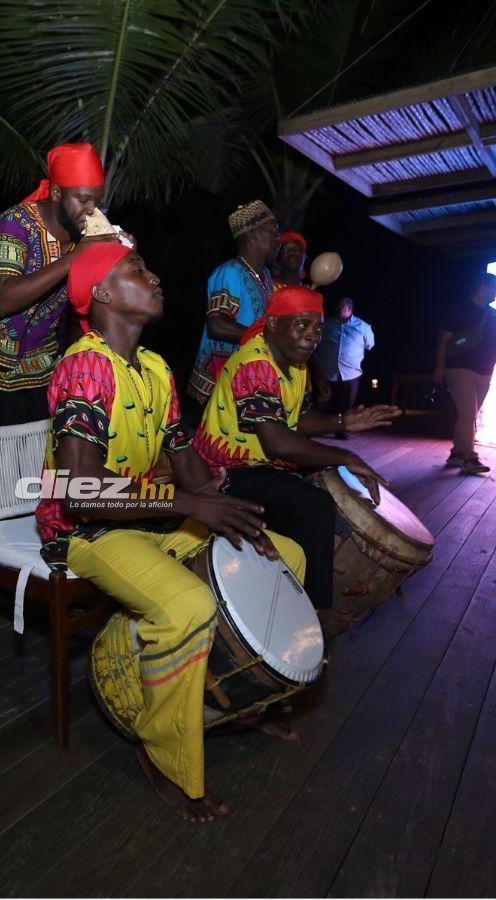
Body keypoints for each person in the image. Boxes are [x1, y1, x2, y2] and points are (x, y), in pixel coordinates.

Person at [37, 242, 309, 822]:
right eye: (137, 268)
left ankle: (231, 699)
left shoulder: (156, 369)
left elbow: (188, 465)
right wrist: (188, 504)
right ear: (103, 293)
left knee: (283, 555)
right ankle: (163, 754)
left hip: (149, 519)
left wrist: (224, 511)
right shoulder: (85, 365)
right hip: (84, 534)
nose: (155, 274)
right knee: (188, 605)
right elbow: (79, 491)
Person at [194, 286, 400, 612]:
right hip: (223, 471)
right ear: (274, 324)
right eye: (301, 325)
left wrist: (344, 421)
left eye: (318, 328)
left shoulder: (294, 364)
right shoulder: (256, 363)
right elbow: (278, 442)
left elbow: (299, 419)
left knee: (324, 482)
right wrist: (346, 456)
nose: (312, 337)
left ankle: (288, 573)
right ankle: (312, 612)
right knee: (314, 504)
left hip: (260, 465)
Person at [0, 142, 118, 425]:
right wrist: (74, 258)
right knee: (3, 460)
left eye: (97, 201)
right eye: (82, 200)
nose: (92, 211)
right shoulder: (14, 224)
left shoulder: (84, 231)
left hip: (43, 367)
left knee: (39, 459)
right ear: (56, 193)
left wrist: (123, 253)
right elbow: (2, 301)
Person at [187, 201, 279, 405]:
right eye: (273, 232)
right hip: (221, 379)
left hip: (247, 374)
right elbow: (217, 325)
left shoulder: (265, 275)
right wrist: (268, 339)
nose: (278, 239)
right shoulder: (230, 272)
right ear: (253, 235)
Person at [434, 272, 496, 475]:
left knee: (467, 416)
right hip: (460, 370)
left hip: (485, 372)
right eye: (494, 286)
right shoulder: (458, 310)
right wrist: (440, 367)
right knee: (468, 415)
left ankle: (456, 454)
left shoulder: (495, 314)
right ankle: (468, 458)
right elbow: (443, 341)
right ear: (482, 287)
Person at [313, 296, 375, 439]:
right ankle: (318, 428)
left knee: (346, 403)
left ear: (349, 309)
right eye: (337, 306)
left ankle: (340, 430)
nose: (338, 309)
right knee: (324, 400)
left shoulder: (363, 326)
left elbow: (369, 345)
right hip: (327, 371)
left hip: (350, 372)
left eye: (341, 307)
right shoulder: (326, 324)